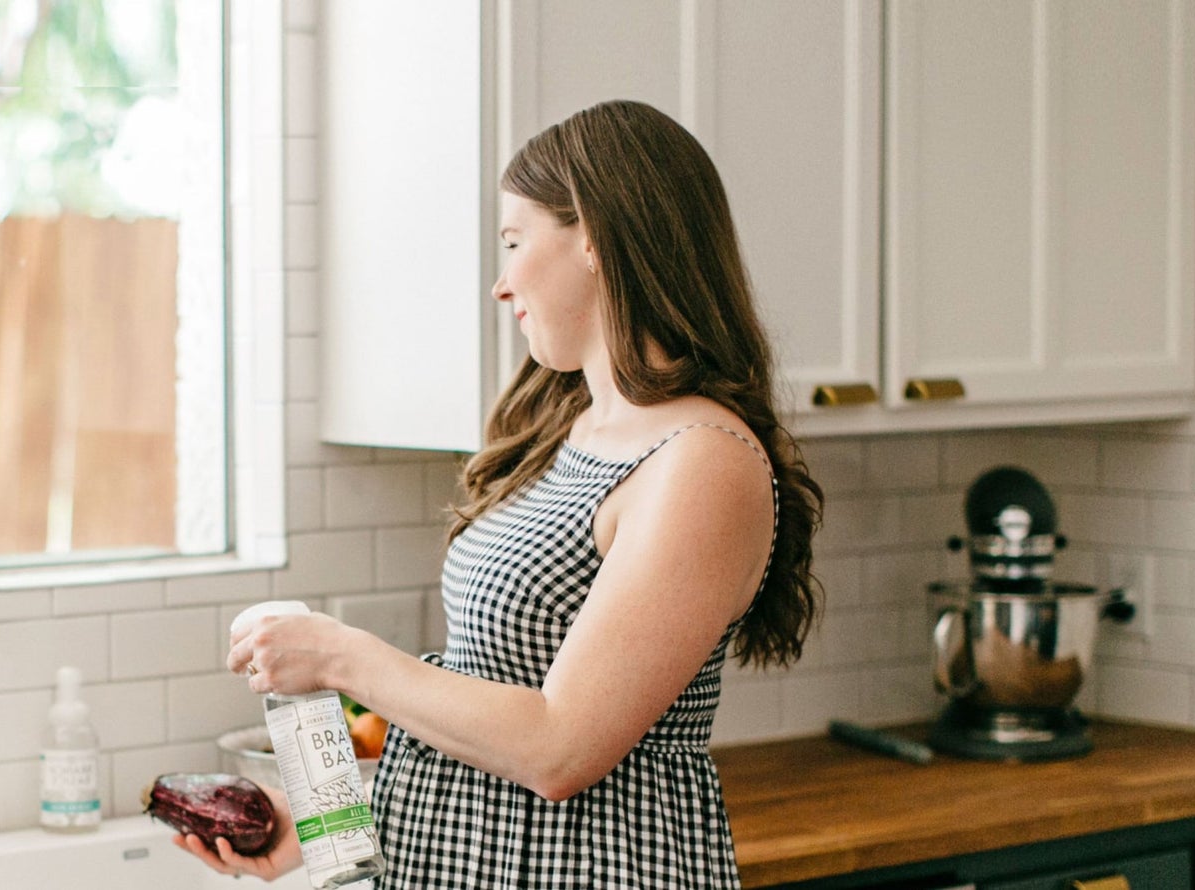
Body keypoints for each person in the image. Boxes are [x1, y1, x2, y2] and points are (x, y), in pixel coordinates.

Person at [174, 99, 824, 888]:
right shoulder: (567, 427)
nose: (500, 283)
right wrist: (325, 831)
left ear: (593, 235)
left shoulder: (702, 463)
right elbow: (490, 710)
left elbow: (558, 750)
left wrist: (342, 655)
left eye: (515, 241)